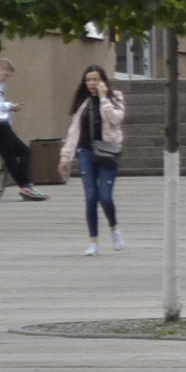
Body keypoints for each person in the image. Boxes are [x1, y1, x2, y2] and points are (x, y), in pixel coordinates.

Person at [57, 64, 125, 256]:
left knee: (105, 196)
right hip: (86, 152)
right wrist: (65, 157)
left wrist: (103, 98)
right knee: (91, 197)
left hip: (107, 152)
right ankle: (93, 242)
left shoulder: (115, 97)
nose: (91, 83)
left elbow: (116, 119)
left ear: (103, 80)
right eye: (88, 80)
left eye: (95, 79)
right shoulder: (83, 103)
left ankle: (114, 228)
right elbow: (73, 132)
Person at [0, 59, 47, 201]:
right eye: (7, 75)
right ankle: (25, 187)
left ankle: (26, 186)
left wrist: (9, 109)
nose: (7, 79)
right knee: (14, 155)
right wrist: (9, 106)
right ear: (1, 69)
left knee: (20, 153)